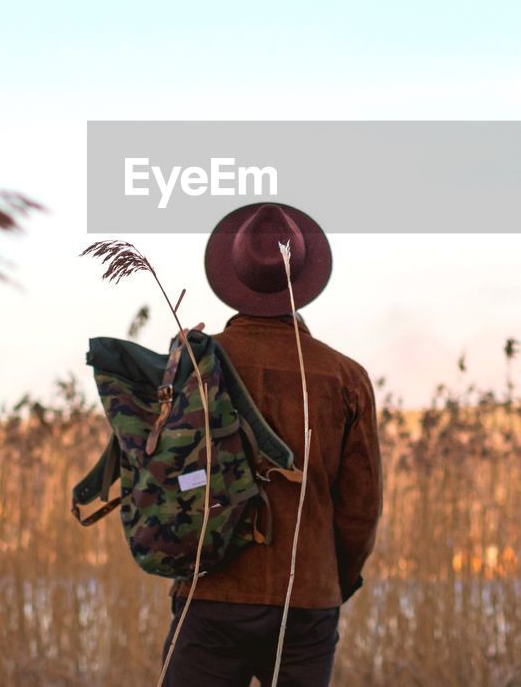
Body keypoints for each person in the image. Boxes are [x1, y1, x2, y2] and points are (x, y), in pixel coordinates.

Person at [160, 202, 384, 687]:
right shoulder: (345, 378)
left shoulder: (195, 365)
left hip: (212, 592)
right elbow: (361, 510)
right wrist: (329, 578)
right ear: (302, 276)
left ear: (235, 273)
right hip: (308, 600)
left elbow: (170, 478)